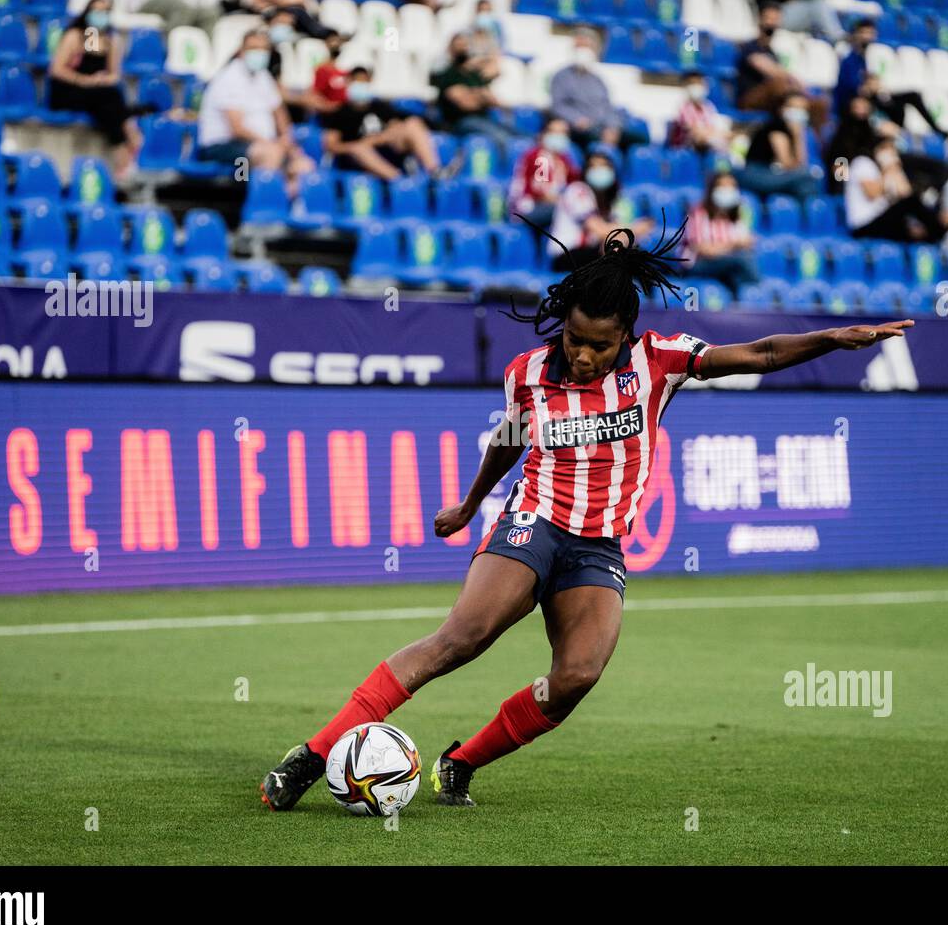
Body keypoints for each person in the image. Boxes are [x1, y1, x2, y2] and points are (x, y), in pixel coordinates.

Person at [257, 225, 913, 812]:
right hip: (534, 524)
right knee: (462, 638)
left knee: (576, 676)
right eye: (574, 338)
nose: (583, 355)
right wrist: (468, 503)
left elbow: (762, 354)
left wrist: (830, 338)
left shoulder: (661, 362)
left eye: (599, 345)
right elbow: (509, 440)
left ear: (625, 336)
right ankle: (312, 756)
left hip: (599, 546)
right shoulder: (529, 374)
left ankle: (459, 765)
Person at [197, 29, 315, 194]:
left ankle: (282, 206)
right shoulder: (229, 78)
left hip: (257, 146)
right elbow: (237, 129)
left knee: (304, 165)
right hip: (224, 150)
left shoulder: (263, 77)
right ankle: (259, 207)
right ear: (242, 50)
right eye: (253, 48)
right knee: (271, 154)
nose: (259, 54)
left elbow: (279, 112)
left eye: (263, 49)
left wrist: (287, 141)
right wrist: (273, 144)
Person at [47, 0, 141, 179]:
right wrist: (84, 80)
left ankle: (121, 150)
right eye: (96, 11)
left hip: (96, 95)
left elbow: (115, 75)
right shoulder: (74, 36)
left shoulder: (109, 41)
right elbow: (57, 70)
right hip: (68, 91)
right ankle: (130, 137)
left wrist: (102, 79)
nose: (100, 16)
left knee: (108, 96)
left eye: (104, 12)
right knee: (107, 97)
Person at [320, 67, 441, 181]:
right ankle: (398, 180)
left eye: (364, 81)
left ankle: (434, 171)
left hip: (386, 148)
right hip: (359, 156)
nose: (361, 85)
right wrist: (360, 145)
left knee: (413, 124)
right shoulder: (340, 113)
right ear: (349, 83)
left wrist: (378, 139)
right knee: (359, 149)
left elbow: (396, 126)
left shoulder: (380, 107)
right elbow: (331, 145)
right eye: (357, 81)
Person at [545, 152, 652, 270]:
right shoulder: (577, 190)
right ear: (586, 171)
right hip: (567, 254)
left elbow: (617, 232)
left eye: (604, 166)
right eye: (593, 166)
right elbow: (600, 230)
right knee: (616, 252)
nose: (599, 170)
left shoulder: (613, 200)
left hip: (593, 253)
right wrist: (635, 229)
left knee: (630, 252)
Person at [548, 29, 646, 150]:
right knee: (593, 138)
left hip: (603, 127)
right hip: (580, 129)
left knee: (641, 139)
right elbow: (558, 106)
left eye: (586, 47)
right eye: (579, 47)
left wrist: (613, 128)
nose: (582, 51)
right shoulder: (561, 77)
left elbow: (608, 107)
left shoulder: (598, 81)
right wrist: (577, 120)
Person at [734, 2, 828, 127]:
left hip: (773, 101)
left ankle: (816, 141)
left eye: (775, 19)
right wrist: (795, 81)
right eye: (768, 18)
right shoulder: (749, 47)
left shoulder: (773, 52)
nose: (771, 23)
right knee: (781, 84)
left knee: (820, 104)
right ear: (760, 19)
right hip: (749, 99)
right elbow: (768, 69)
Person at [845, 138, 943, 242]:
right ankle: (941, 231)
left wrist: (897, 171)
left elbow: (906, 194)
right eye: (886, 148)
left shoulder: (888, 171)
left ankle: (938, 238)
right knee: (910, 203)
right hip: (864, 225)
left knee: (918, 234)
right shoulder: (863, 163)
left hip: (883, 224)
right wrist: (887, 170)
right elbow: (873, 193)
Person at [681, 172, 759, 294]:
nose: (728, 190)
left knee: (739, 272)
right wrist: (733, 245)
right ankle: (758, 293)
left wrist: (739, 245)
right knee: (741, 261)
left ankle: (748, 302)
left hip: (726, 264)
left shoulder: (736, 218)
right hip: (698, 264)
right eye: (723, 186)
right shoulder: (699, 213)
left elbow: (748, 243)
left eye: (732, 186)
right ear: (713, 189)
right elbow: (703, 249)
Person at [432, 32, 510, 149]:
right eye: (458, 46)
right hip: (460, 122)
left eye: (464, 45)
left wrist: (473, 94)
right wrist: (480, 96)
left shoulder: (475, 76)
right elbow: (465, 103)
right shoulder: (447, 75)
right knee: (503, 139)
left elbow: (493, 100)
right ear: (450, 49)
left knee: (522, 136)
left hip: (485, 119)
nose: (462, 49)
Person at [737, 91, 820, 199]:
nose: (797, 112)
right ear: (781, 109)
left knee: (805, 186)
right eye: (793, 107)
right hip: (756, 173)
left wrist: (799, 135)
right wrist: (796, 136)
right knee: (807, 176)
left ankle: (798, 213)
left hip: (773, 174)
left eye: (802, 109)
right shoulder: (776, 128)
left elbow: (801, 163)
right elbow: (787, 164)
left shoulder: (798, 132)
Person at [508, 117, 580, 230]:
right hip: (527, 209)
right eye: (554, 132)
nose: (559, 136)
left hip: (551, 207)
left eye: (563, 133)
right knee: (567, 210)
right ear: (543, 135)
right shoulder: (537, 156)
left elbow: (575, 183)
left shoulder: (563, 159)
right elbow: (542, 194)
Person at [667, 72, 730, 157]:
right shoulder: (681, 106)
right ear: (686, 86)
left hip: (707, 143)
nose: (697, 87)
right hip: (685, 148)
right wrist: (711, 134)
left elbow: (714, 128)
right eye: (693, 83)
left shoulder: (708, 106)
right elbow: (694, 131)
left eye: (699, 83)